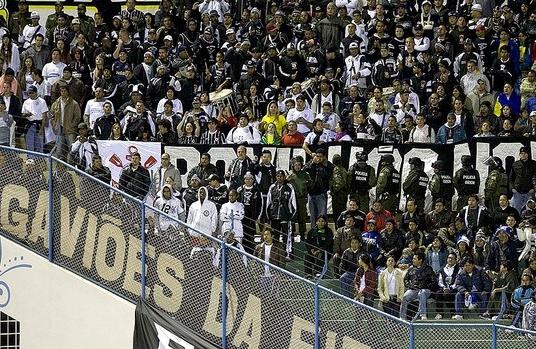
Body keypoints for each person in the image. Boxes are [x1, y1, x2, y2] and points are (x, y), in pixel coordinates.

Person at [266, 170, 297, 257]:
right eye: (278, 176)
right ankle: (275, 254)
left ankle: (288, 253)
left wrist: (291, 215)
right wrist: (269, 216)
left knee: (286, 236)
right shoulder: (272, 187)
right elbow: (268, 202)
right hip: (274, 216)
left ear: (284, 177)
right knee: (274, 236)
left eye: (281, 176)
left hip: (285, 216)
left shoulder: (289, 187)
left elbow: (293, 202)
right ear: (276, 177)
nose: (280, 178)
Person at [399, 251, 436, 320]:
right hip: (413, 289)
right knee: (404, 296)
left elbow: (433, 281)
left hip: (425, 290)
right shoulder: (411, 268)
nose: (412, 260)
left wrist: (425, 286)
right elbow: (406, 279)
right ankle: (402, 317)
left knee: (422, 293)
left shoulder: (428, 269)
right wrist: (410, 286)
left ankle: (423, 314)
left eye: (414, 259)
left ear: (420, 260)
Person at [303, 148, 334, 227]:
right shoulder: (312, 163)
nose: (318, 158)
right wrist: (312, 163)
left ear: (324, 157)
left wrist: (321, 167)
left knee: (322, 215)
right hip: (311, 193)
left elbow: (327, 176)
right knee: (312, 216)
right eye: (317, 156)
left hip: (321, 193)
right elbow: (303, 170)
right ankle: (314, 232)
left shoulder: (328, 165)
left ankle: (323, 233)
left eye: (320, 156)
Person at [510, 146, 536, 213]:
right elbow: (511, 178)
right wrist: (512, 188)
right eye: (521, 153)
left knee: (530, 212)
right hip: (517, 192)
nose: (523, 155)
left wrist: (533, 189)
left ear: (528, 154)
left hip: (529, 192)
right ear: (519, 154)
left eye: (525, 153)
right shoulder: (515, 164)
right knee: (517, 212)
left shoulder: (533, 164)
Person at [435, 253, 460, 320]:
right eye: (449, 258)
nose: (450, 259)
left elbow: (458, 281)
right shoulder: (442, 269)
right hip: (444, 288)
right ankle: (439, 313)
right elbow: (440, 281)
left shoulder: (458, 269)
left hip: (454, 288)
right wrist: (444, 288)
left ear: (455, 260)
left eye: (452, 258)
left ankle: (453, 313)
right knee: (438, 293)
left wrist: (450, 288)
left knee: (448, 295)